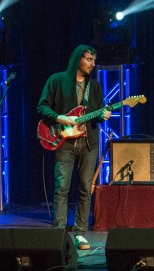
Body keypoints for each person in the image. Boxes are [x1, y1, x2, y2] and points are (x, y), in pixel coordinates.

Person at [37, 44, 111, 250]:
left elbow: (96, 115)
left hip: (88, 143)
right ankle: (59, 232)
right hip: (63, 141)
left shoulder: (94, 86)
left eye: (94, 60)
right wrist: (61, 117)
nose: (92, 64)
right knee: (61, 188)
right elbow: (42, 106)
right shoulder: (57, 80)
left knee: (86, 189)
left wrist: (103, 115)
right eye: (88, 59)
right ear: (78, 59)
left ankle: (80, 233)